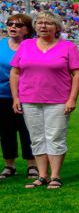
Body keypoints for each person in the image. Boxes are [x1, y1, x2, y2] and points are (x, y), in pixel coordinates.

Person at [9, 11, 79, 189]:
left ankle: (55, 176)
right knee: (36, 138)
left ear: (57, 27)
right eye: (40, 22)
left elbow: (77, 73)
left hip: (58, 100)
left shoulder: (67, 47)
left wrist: (72, 99)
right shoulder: (26, 45)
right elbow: (15, 71)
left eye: (48, 23)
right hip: (29, 99)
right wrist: (16, 97)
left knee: (55, 137)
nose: (43, 26)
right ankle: (42, 176)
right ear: (35, 26)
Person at [0, 13, 35, 179]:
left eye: (18, 25)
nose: (13, 27)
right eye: (10, 23)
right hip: (3, 95)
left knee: (27, 130)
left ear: (27, 29)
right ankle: (9, 165)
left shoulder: (33, 46)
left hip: (28, 95)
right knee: (6, 131)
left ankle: (32, 165)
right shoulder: (0, 45)